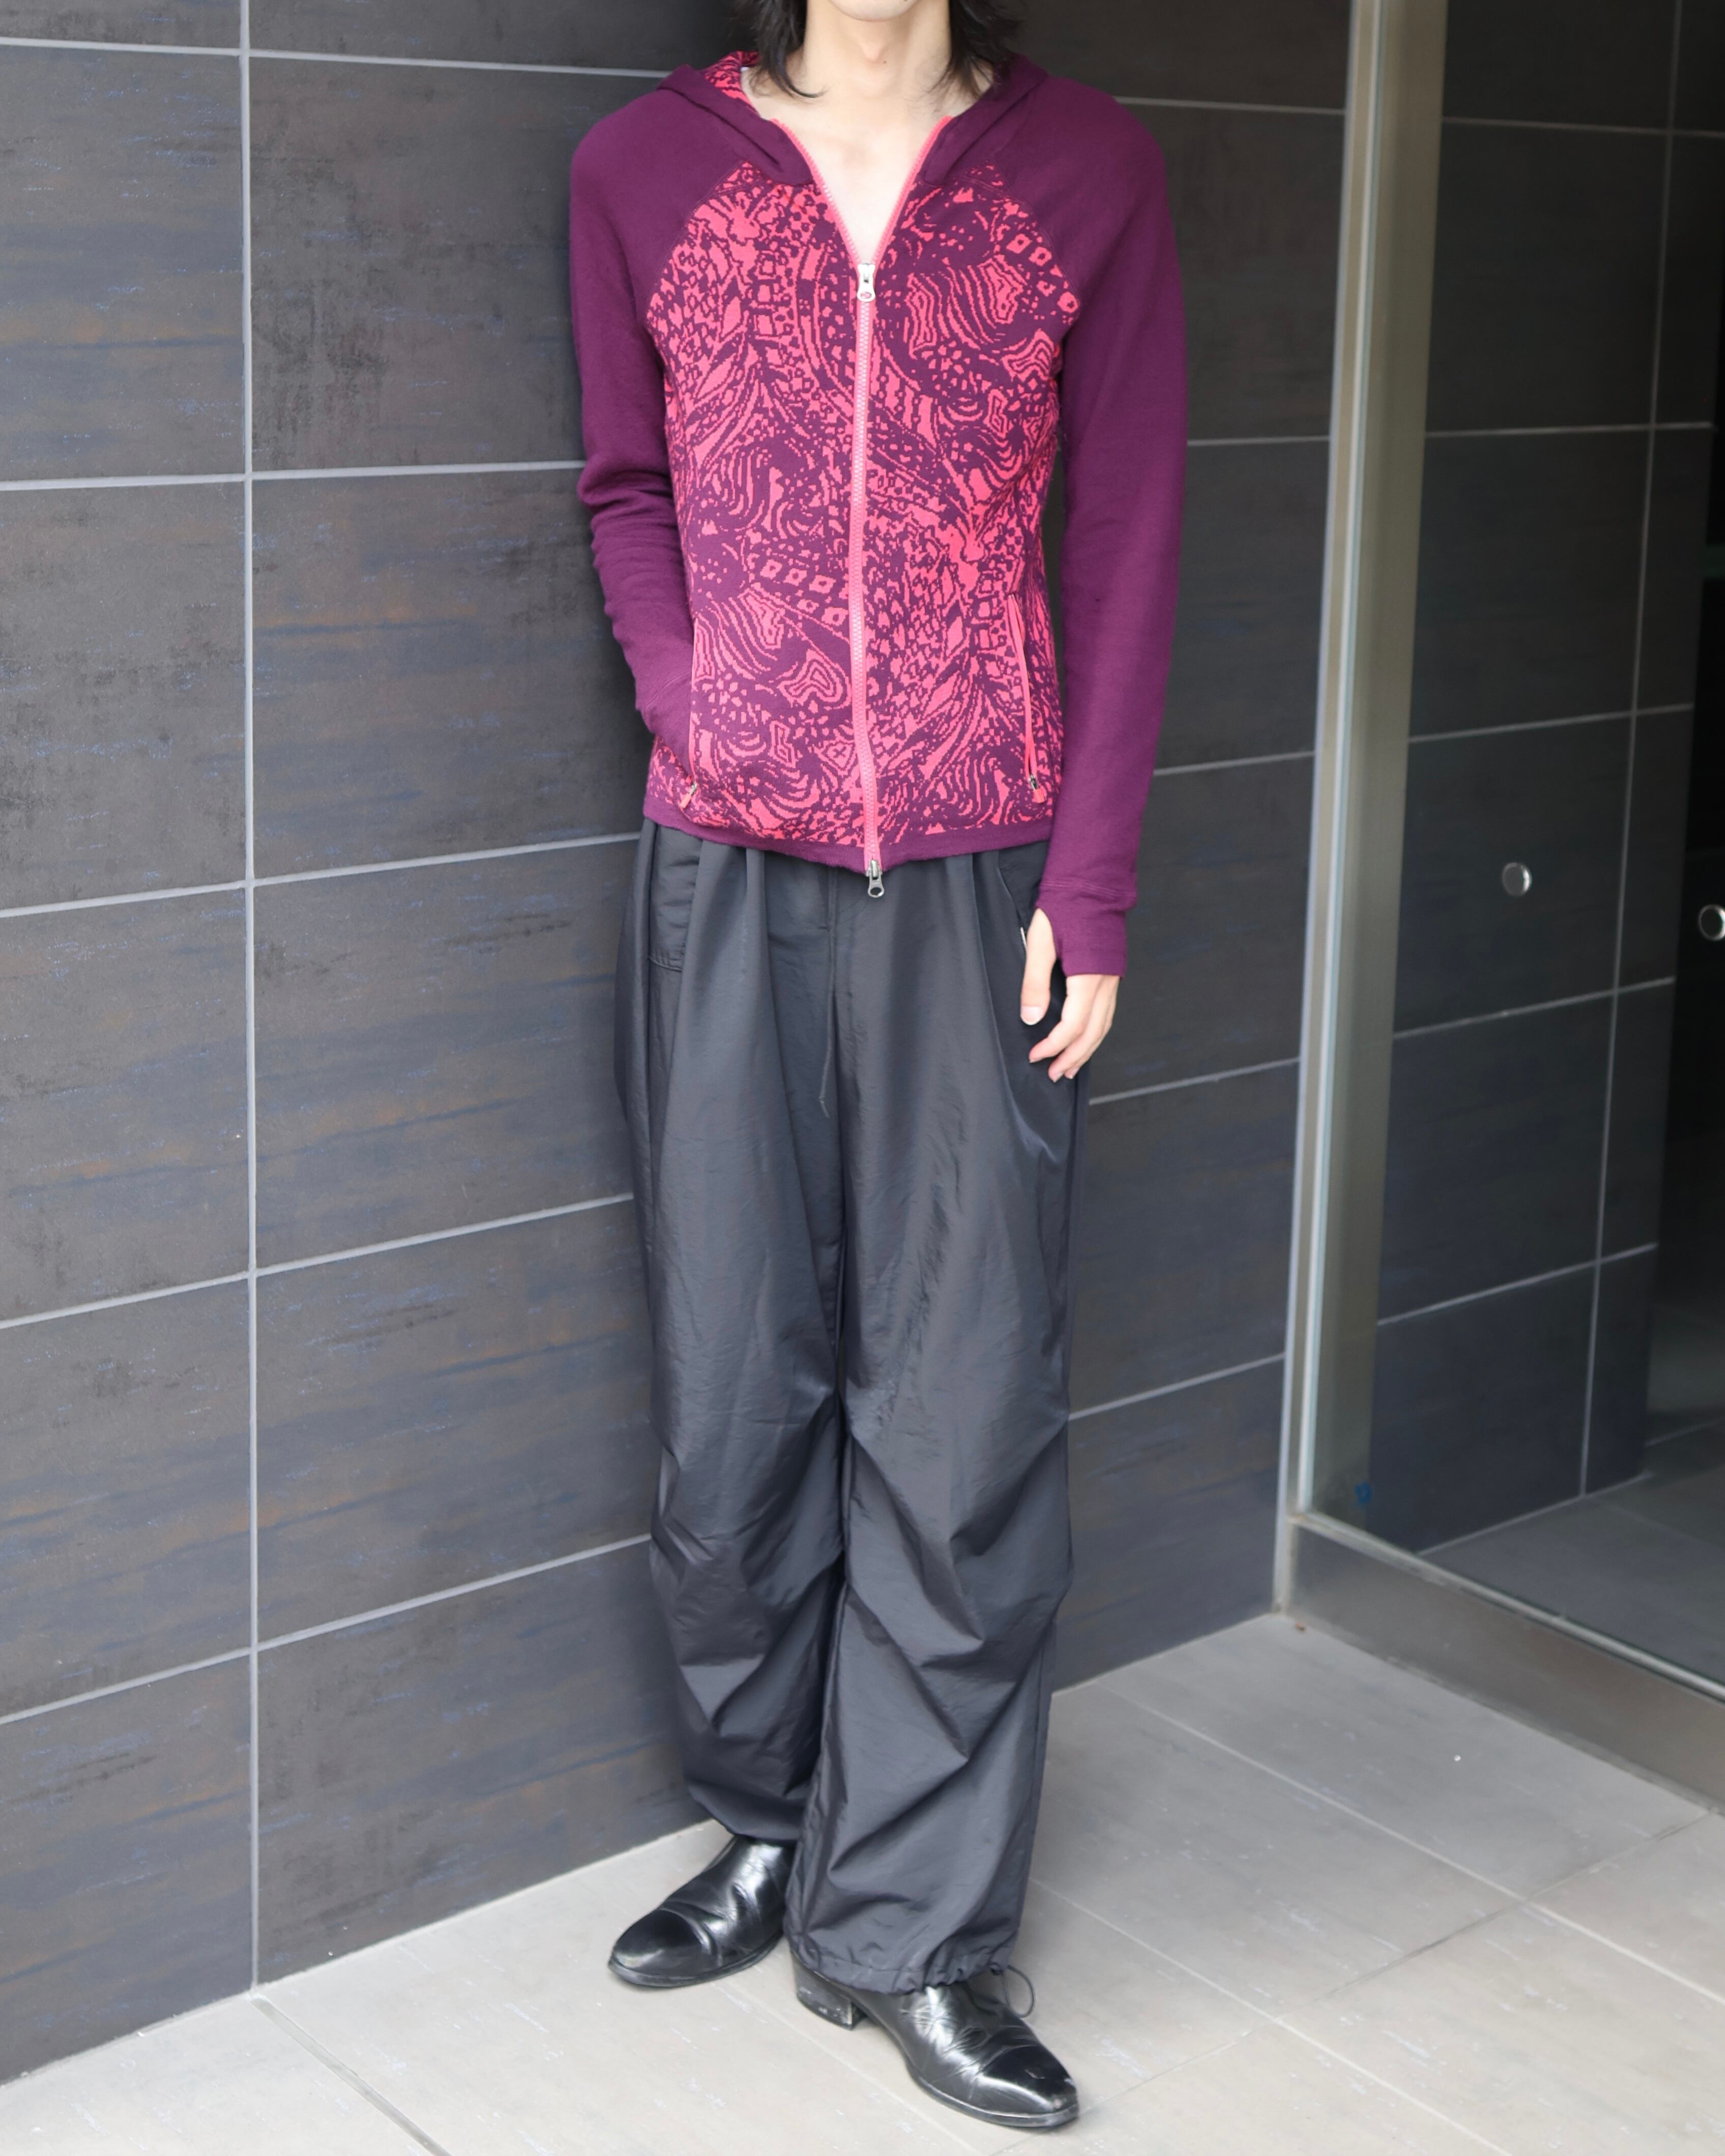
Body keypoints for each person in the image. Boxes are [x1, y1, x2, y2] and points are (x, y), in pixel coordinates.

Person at [568, 0, 1184, 2130]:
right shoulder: (642, 169)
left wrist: (1090, 881)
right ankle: (768, 1815)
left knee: (965, 1403)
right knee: (734, 1381)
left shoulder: (1084, 170)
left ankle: (915, 1928)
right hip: (722, 866)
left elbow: (1124, 535)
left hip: (983, 866)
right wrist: (699, 705)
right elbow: (626, 486)